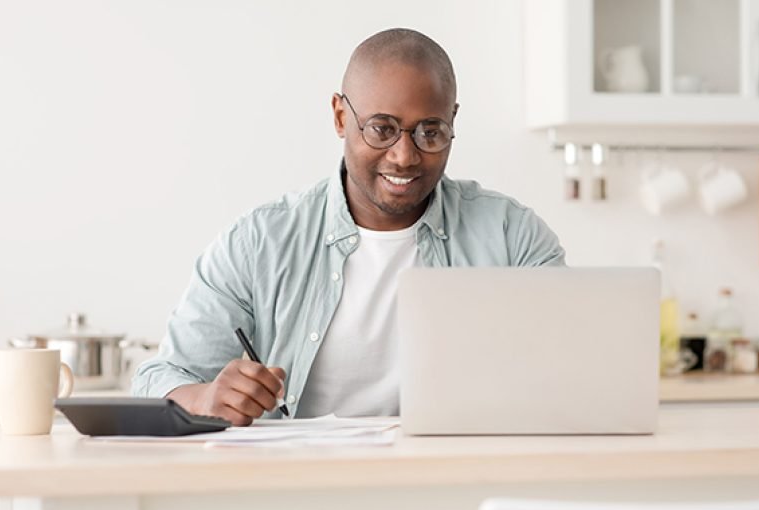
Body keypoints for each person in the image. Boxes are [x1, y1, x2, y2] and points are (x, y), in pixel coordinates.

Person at [132, 28, 565, 426]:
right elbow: (158, 378)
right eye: (382, 129)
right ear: (341, 116)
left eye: (430, 132)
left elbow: (573, 370)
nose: (404, 156)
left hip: (454, 476)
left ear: (452, 120)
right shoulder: (259, 244)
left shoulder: (512, 237)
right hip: (296, 479)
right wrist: (205, 397)